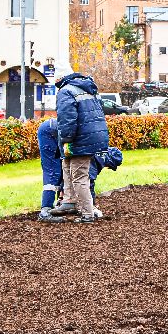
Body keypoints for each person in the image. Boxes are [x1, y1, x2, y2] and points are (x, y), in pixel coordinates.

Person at [36, 116, 123, 222]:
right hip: (50, 132)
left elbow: (68, 175)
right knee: (53, 172)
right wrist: (92, 207)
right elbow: (87, 182)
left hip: (54, 129)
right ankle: (45, 211)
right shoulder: (97, 159)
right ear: (110, 163)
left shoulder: (98, 149)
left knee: (62, 170)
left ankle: (58, 204)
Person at [55, 70, 110, 224]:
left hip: (80, 139)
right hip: (93, 136)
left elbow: (67, 119)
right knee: (66, 165)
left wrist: (66, 140)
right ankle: (69, 201)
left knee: (79, 176)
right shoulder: (86, 87)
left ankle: (87, 214)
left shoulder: (66, 91)